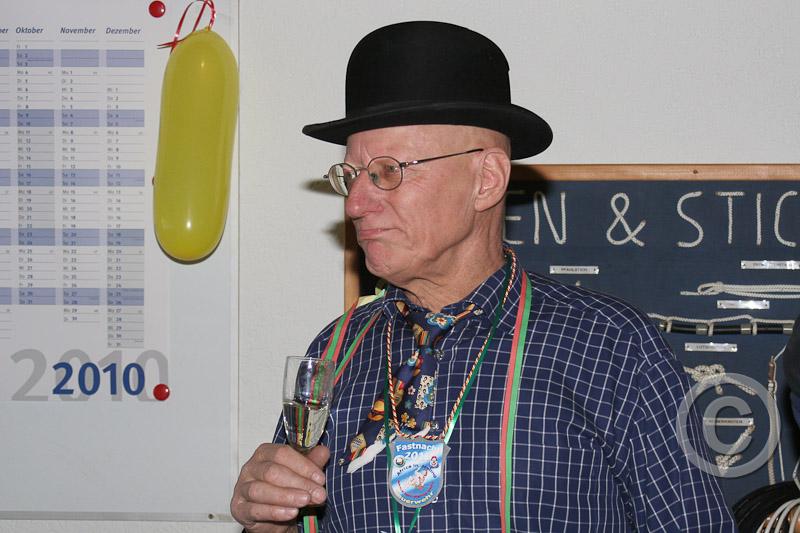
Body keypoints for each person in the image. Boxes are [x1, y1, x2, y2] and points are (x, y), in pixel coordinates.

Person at [231, 21, 735, 532]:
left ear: (486, 179)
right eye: (350, 176)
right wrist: (272, 524)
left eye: (387, 171)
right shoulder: (336, 350)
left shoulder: (610, 347)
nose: (356, 203)